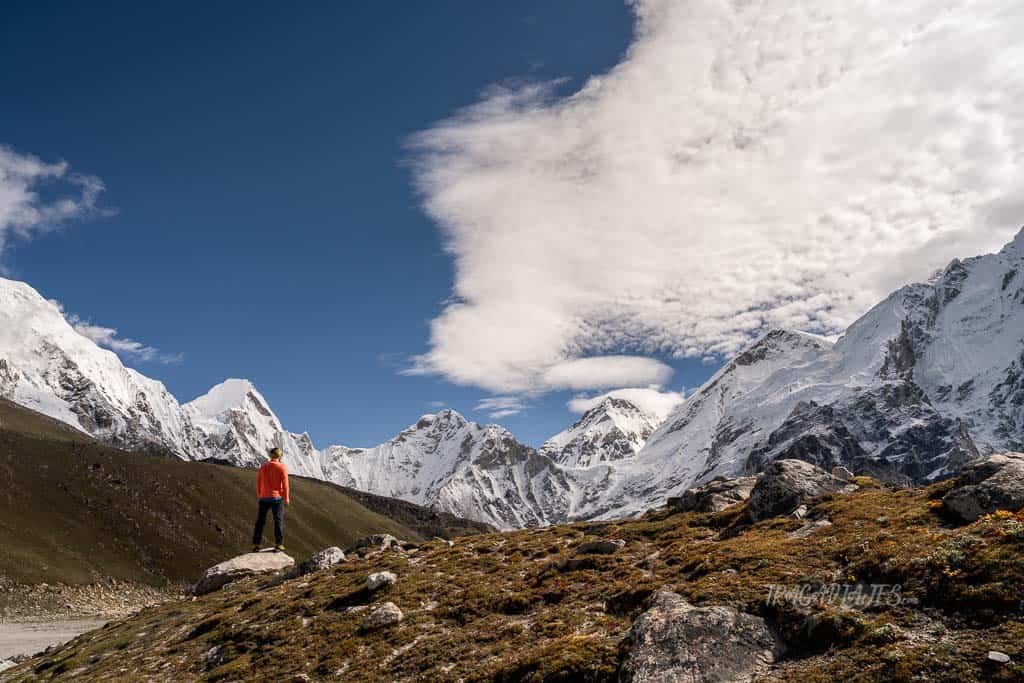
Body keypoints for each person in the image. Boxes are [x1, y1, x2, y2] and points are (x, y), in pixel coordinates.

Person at [252, 447, 290, 552]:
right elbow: (285, 485)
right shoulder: (282, 467)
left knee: (260, 522)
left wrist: (260, 494)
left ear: (271, 456)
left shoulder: (263, 467)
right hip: (277, 498)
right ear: (280, 456)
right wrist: (286, 498)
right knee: (278, 521)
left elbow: (259, 482)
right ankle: (279, 544)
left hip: (263, 498)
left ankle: (256, 544)